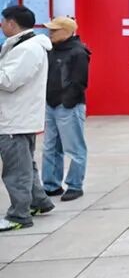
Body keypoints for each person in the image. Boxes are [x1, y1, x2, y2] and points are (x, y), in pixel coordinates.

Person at [0, 5, 55, 232]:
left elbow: (9, 81)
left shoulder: (28, 49)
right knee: (24, 165)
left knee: (16, 170)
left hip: (14, 118)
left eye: (3, 21)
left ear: (12, 23)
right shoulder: (25, 46)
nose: (1, 25)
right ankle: (38, 202)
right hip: (17, 117)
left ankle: (19, 215)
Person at [42, 16, 91, 201]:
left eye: (54, 30)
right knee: (50, 147)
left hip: (69, 106)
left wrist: (67, 102)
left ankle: (75, 185)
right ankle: (51, 185)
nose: (50, 33)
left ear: (67, 31)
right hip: (50, 104)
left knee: (74, 148)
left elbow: (80, 82)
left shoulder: (78, 52)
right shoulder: (51, 50)